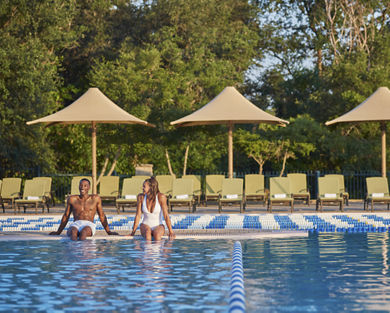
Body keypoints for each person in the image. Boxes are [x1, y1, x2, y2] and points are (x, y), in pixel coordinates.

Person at [50, 178, 118, 240]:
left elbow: (102, 216)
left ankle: (83, 251)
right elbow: (66, 216)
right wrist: (58, 232)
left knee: (84, 232)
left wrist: (109, 232)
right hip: (76, 224)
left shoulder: (95, 199)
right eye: (81, 185)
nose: (82, 187)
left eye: (85, 185)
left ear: (89, 187)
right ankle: (75, 251)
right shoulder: (72, 199)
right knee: (73, 233)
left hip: (89, 225)